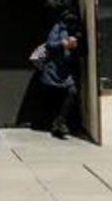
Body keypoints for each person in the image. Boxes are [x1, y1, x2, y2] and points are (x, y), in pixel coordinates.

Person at [39, 9, 83, 139]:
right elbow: (50, 44)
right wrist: (62, 43)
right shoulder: (58, 28)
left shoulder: (76, 30)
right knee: (55, 96)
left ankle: (60, 121)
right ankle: (56, 124)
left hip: (67, 68)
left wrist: (76, 45)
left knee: (72, 91)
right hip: (55, 68)